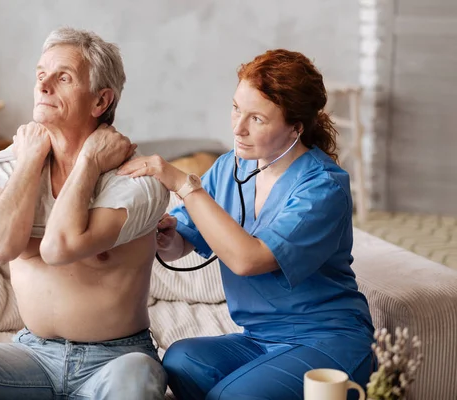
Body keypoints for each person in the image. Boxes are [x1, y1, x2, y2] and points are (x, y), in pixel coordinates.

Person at [0, 27, 169, 400]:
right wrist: (29, 160)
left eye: (63, 78)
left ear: (100, 101)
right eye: (40, 75)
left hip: (116, 360)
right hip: (31, 357)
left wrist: (89, 160)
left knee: (139, 378)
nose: (44, 87)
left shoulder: (137, 181)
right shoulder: (6, 166)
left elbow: (59, 247)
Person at [118, 49, 375, 400]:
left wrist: (184, 184)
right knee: (180, 360)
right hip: (258, 338)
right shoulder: (230, 168)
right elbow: (182, 244)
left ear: (295, 128)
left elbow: (247, 259)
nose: (237, 128)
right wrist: (166, 236)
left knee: (231, 395)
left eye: (257, 119)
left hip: (327, 339)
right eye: (237, 109)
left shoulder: (323, 187)